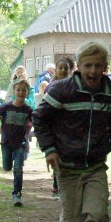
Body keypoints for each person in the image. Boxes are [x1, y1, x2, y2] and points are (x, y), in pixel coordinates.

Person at [32, 41, 111, 222]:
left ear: (105, 68)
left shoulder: (110, 93)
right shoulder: (62, 90)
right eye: (88, 65)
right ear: (78, 66)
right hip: (66, 166)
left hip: (95, 166)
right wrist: (49, 149)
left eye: (97, 66)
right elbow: (40, 119)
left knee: (98, 215)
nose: (92, 70)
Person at [0, 80, 33, 206]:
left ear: (27, 93)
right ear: (14, 92)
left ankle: (17, 194)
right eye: (18, 90)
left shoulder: (28, 110)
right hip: (6, 143)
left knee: (18, 169)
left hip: (20, 144)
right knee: (7, 167)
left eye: (24, 90)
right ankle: (9, 167)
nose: (21, 92)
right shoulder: (6, 106)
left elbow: (36, 122)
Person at [43, 58, 72, 198]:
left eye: (66, 68)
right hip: (55, 125)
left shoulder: (73, 85)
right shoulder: (51, 86)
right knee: (57, 154)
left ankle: (65, 185)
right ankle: (56, 185)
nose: (63, 71)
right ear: (56, 70)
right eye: (61, 68)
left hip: (68, 126)